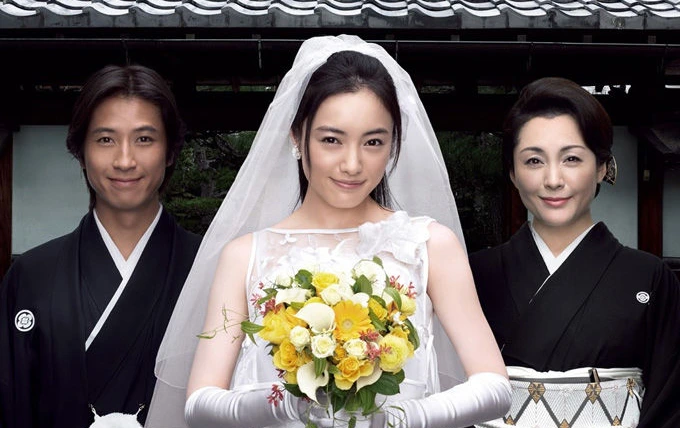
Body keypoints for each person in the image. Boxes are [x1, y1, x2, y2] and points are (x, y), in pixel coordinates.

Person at [145, 35, 511, 428]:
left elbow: (495, 387)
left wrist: (403, 419)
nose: (352, 164)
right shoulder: (245, 255)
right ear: (296, 136)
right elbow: (199, 403)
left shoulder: (428, 246)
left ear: (393, 143)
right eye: (331, 140)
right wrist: (280, 406)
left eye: (373, 142)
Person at [470, 77, 680, 428]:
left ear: (601, 167)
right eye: (533, 161)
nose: (553, 180)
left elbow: (670, 406)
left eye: (571, 159)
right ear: (513, 173)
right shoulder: (475, 274)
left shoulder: (649, 278)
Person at [0, 65, 202, 428]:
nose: (125, 160)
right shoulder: (31, 275)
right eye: (106, 140)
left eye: (144, 139)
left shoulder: (209, 268)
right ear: (80, 151)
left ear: (171, 151)